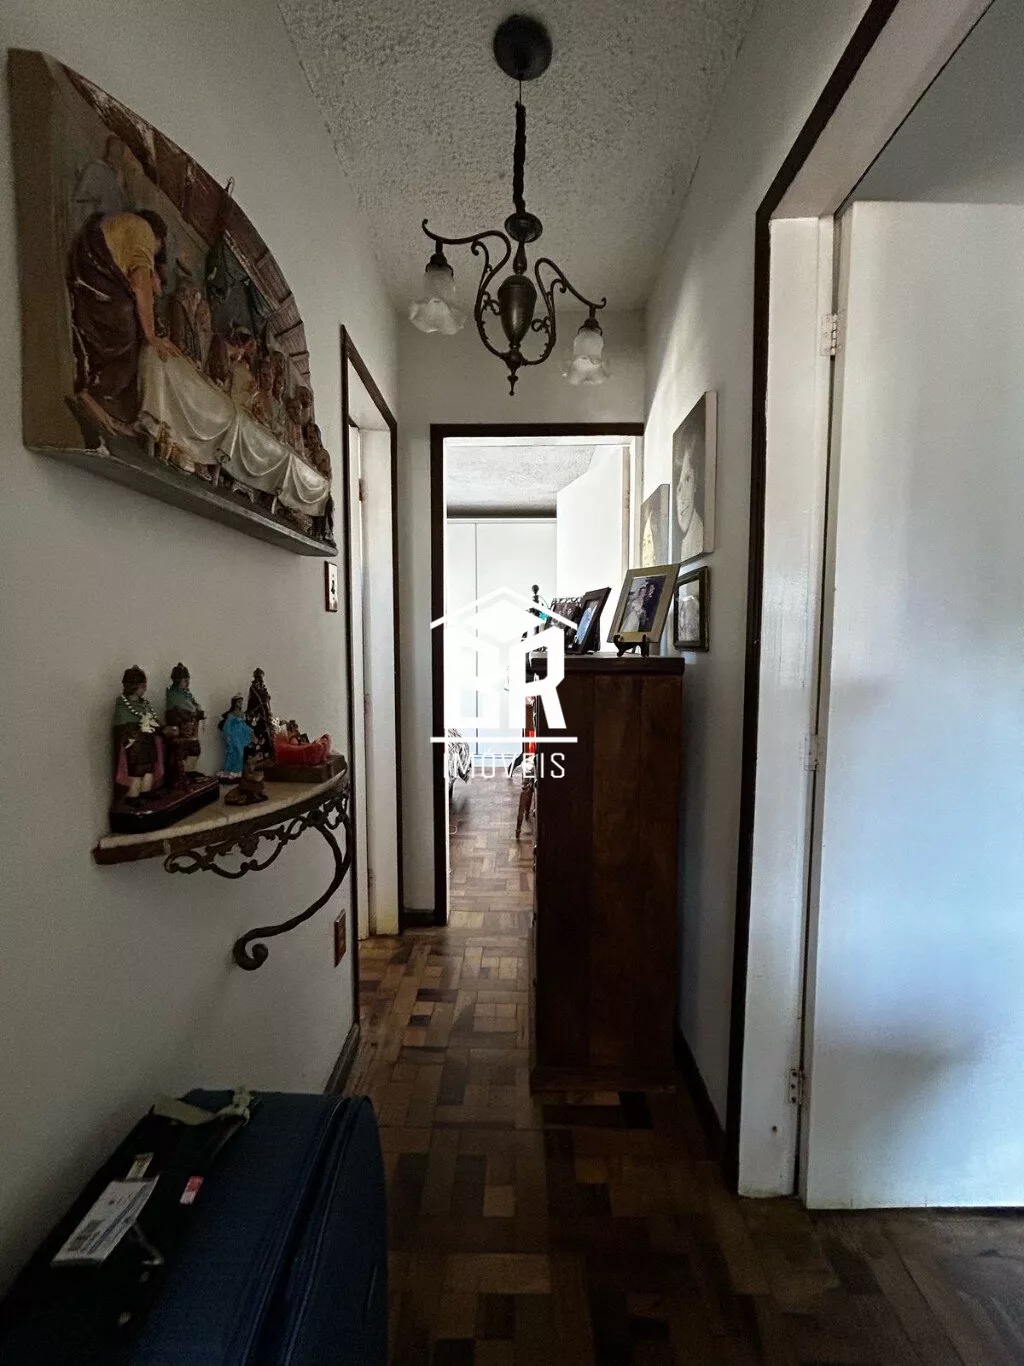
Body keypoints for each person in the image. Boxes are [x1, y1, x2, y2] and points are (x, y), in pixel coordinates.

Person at [67, 208, 177, 430]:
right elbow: (140, 285)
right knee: (128, 335)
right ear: (159, 239)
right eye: (158, 250)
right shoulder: (143, 233)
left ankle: (96, 391)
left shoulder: (126, 227)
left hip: (88, 273)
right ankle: (95, 392)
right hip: (96, 282)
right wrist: (151, 335)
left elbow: (147, 284)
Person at [674, 438, 705, 563]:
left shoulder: (699, 535)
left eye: (688, 479)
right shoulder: (686, 543)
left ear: (695, 483)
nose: (682, 498)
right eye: (679, 488)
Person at [217, 695, 253, 780]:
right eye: (238, 702)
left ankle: (237, 771)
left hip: (240, 736)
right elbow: (227, 726)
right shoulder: (231, 714)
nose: (240, 703)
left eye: (241, 702)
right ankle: (230, 770)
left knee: (240, 753)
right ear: (234, 703)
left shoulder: (242, 714)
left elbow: (244, 725)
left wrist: (250, 730)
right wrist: (228, 737)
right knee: (233, 753)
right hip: (233, 736)